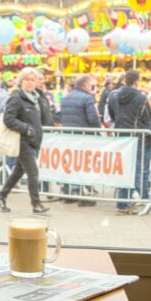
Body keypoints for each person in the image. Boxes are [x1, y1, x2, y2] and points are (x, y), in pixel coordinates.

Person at [0, 68, 54, 214]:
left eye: (32, 80)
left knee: (18, 171)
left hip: (34, 140)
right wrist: (26, 129)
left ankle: (1, 195)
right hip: (22, 140)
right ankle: (36, 204)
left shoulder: (36, 98)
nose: (30, 82)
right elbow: (8, 119)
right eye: (27, 79)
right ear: (21, 81)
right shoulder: (16, 98)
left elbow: (42, 118)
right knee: (33, 172)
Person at [108, 69, 151, 215]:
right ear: (137, 81)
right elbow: (147, 118)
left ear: (124, 80)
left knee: (124, 168)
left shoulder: (114, 95)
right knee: (134, 169)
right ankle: (128, 201)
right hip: (136, 136)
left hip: (121, 135)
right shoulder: (141, 98)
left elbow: (112, 114)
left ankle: (123, 202)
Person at [59, 74, 100, 207]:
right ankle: (84, 193)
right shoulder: (88, 98)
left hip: (68, 135)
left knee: (70, 162)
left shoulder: (66, 97)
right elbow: (93, 118)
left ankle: (69, 191)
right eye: (91, 85)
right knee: (83, 163)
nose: (92, 88)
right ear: (85, 85)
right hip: (83, 135)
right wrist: (97, 131)